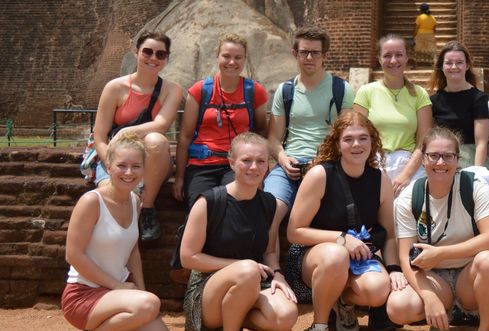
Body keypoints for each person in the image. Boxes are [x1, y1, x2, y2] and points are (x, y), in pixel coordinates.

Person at [286, 111, 402, 331]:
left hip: (359, 259)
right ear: (337, 144)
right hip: (316, 257)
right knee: (336, 255)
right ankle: (318, 329)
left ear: (372, 142)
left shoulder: (380, 179)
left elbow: (390, 235)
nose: (356, 145)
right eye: (348, 139)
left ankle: (340, 301)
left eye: (363, 138)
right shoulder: (320, 175)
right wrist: (341, 239)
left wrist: (393, 269)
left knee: (377, 291)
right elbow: (294, 232)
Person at [180, 133, 298, 331]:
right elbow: (188, 257)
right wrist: (240, 265)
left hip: (248, 281)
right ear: (231, 162)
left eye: (261, 161)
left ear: (268, 165)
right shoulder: (209, 202)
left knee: (285, 316)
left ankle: (233, 323)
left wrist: (277, 274)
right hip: (206, 292)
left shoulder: (268, 203)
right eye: (246, 160)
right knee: (246, 269)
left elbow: (270, 249)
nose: (254, 167)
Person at [388, 127, 489, 331]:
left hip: (469, 276)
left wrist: (441, 253)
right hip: (433, 278)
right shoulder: (410, 197)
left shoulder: (474, 187)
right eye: (433, 156)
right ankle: (441, 317)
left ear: (457, 158)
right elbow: (404, 256)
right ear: (422, 158)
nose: (440, 162)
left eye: (448, 156)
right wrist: (428, 297)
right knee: (397, 307)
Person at [63, 133, 174, 331]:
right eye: (121, 166)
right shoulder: (91, 202)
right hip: (83, 294)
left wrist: (140, 290)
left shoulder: (135, 201)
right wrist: (117, 287)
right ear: (108, 166)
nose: (128, 172)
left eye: (136, 166)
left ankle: (104, 329)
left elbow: (133, 251)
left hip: (117, 293)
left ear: (144, 169)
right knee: (148, 305)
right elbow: (73, 255)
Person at [265, 26, 354, 265]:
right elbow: (273, 138)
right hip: (290, 165)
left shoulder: (341, 89)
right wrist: (282, 158)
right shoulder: (285, 91)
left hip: (327, 166)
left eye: (315, 53)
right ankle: (273, 269)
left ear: (325, 55)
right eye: (304, 52)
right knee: (269, 209)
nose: (309, 58)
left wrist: (322, 161)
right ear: (295, 54)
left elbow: (347, 134)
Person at [91, 31, 182, 241]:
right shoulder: (115, 87)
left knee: (156, 140)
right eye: (147, 52)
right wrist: (112, 165)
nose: (153, 58)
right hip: (117, 156)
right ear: (137, 52)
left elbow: (160, 124)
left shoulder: (172, 90)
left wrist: (126, 131)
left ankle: (147, 208)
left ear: (166, 58)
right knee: (112, 197)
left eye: (160, 54)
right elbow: (100, 135)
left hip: (152, 158)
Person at [173, 33, 270, 209]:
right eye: (226, 56)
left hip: (239, 164)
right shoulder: (200, 90)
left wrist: (263, 173)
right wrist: (179, 177)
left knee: (235, 207)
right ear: (217, 56)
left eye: (238, 57)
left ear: (244, 59)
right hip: (202, 164)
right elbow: (185, 137)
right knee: (200, 208)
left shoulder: (254, 91)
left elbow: (262, 132)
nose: (232, 62)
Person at [353, 34, 433, 196]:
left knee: (408, 208)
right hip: (374, 162)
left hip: (409, 163)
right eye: (387, 55)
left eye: (399, 55)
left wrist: (406, 175)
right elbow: (357, 136)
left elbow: (423, 142)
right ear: (379, 58)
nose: (393, 60)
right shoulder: (366, 92)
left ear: (406, 57)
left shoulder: (419, 94)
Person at [427, 41, 489, 185]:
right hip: (443, 157)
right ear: (442, 66)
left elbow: (481, 142)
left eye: (459, 62)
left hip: (472, 158)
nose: (454, 67)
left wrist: (476, 174)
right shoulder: (434, 101)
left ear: (467, 65)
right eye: (449, 63)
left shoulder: (479, 99)